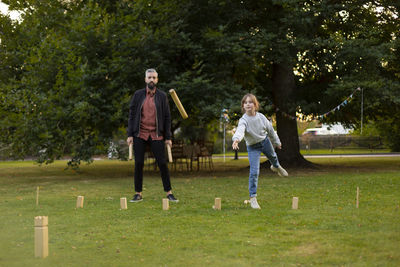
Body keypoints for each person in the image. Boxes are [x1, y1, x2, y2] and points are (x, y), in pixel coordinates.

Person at [126, 68, 178, 203]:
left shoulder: (162, 96)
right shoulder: (138, 95)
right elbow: (131, 115)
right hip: (140, 134)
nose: (151, 80)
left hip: (156, 135)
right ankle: (138, 193)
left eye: (154, 78)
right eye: (149, 77)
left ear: (157, 80)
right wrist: (130, 134)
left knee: (162, 163)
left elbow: (167, 117)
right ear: (145, 79)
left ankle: (169, 193)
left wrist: (168, 137)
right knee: (138, 163)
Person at [232, 93, 288, 209]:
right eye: (245, 102)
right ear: (243, 106)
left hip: (265, 142)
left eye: (250, 102)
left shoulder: (261, 117)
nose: (248, 104)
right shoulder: (243, 120)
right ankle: (253, 198)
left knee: (273, 157)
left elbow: (271, 130)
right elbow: (240, 131)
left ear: (255, 105)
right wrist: (236, 140)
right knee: (254, 172)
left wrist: (276, 142)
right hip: (252, 147)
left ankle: (276, 166)